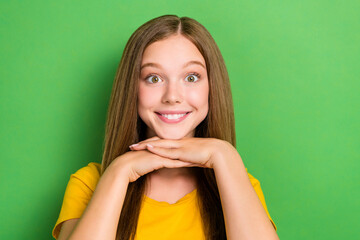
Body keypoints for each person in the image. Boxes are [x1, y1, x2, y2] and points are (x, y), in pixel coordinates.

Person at [52, 15, 279, 240]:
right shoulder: (89, 183)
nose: (172, 97)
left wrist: (225, 154)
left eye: (191, 77)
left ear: (212, 87)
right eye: (153, 78)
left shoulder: (236, 180)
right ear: (132, 88)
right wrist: (119, 171)